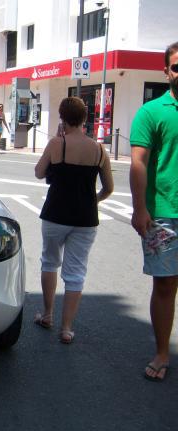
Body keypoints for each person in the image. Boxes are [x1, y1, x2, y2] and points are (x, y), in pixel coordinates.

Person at [34, 96, 114, 344]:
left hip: (55, 214)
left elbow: (38, 173)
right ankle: (67, 328)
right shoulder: (100, 149)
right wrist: (93, 201)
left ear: (62, 117)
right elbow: (108, 188)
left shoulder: (57, 144)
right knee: (76, 272)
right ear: (85, 118)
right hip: (85, 219)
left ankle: (47, 314)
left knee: (49, 262)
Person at [129, 41, 178, 382]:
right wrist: (139, 208)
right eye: (177, 66)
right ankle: (162, 351)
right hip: (164, 213)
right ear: (166, 71)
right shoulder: (151, 112)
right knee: (165, 285)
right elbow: (138, 163)